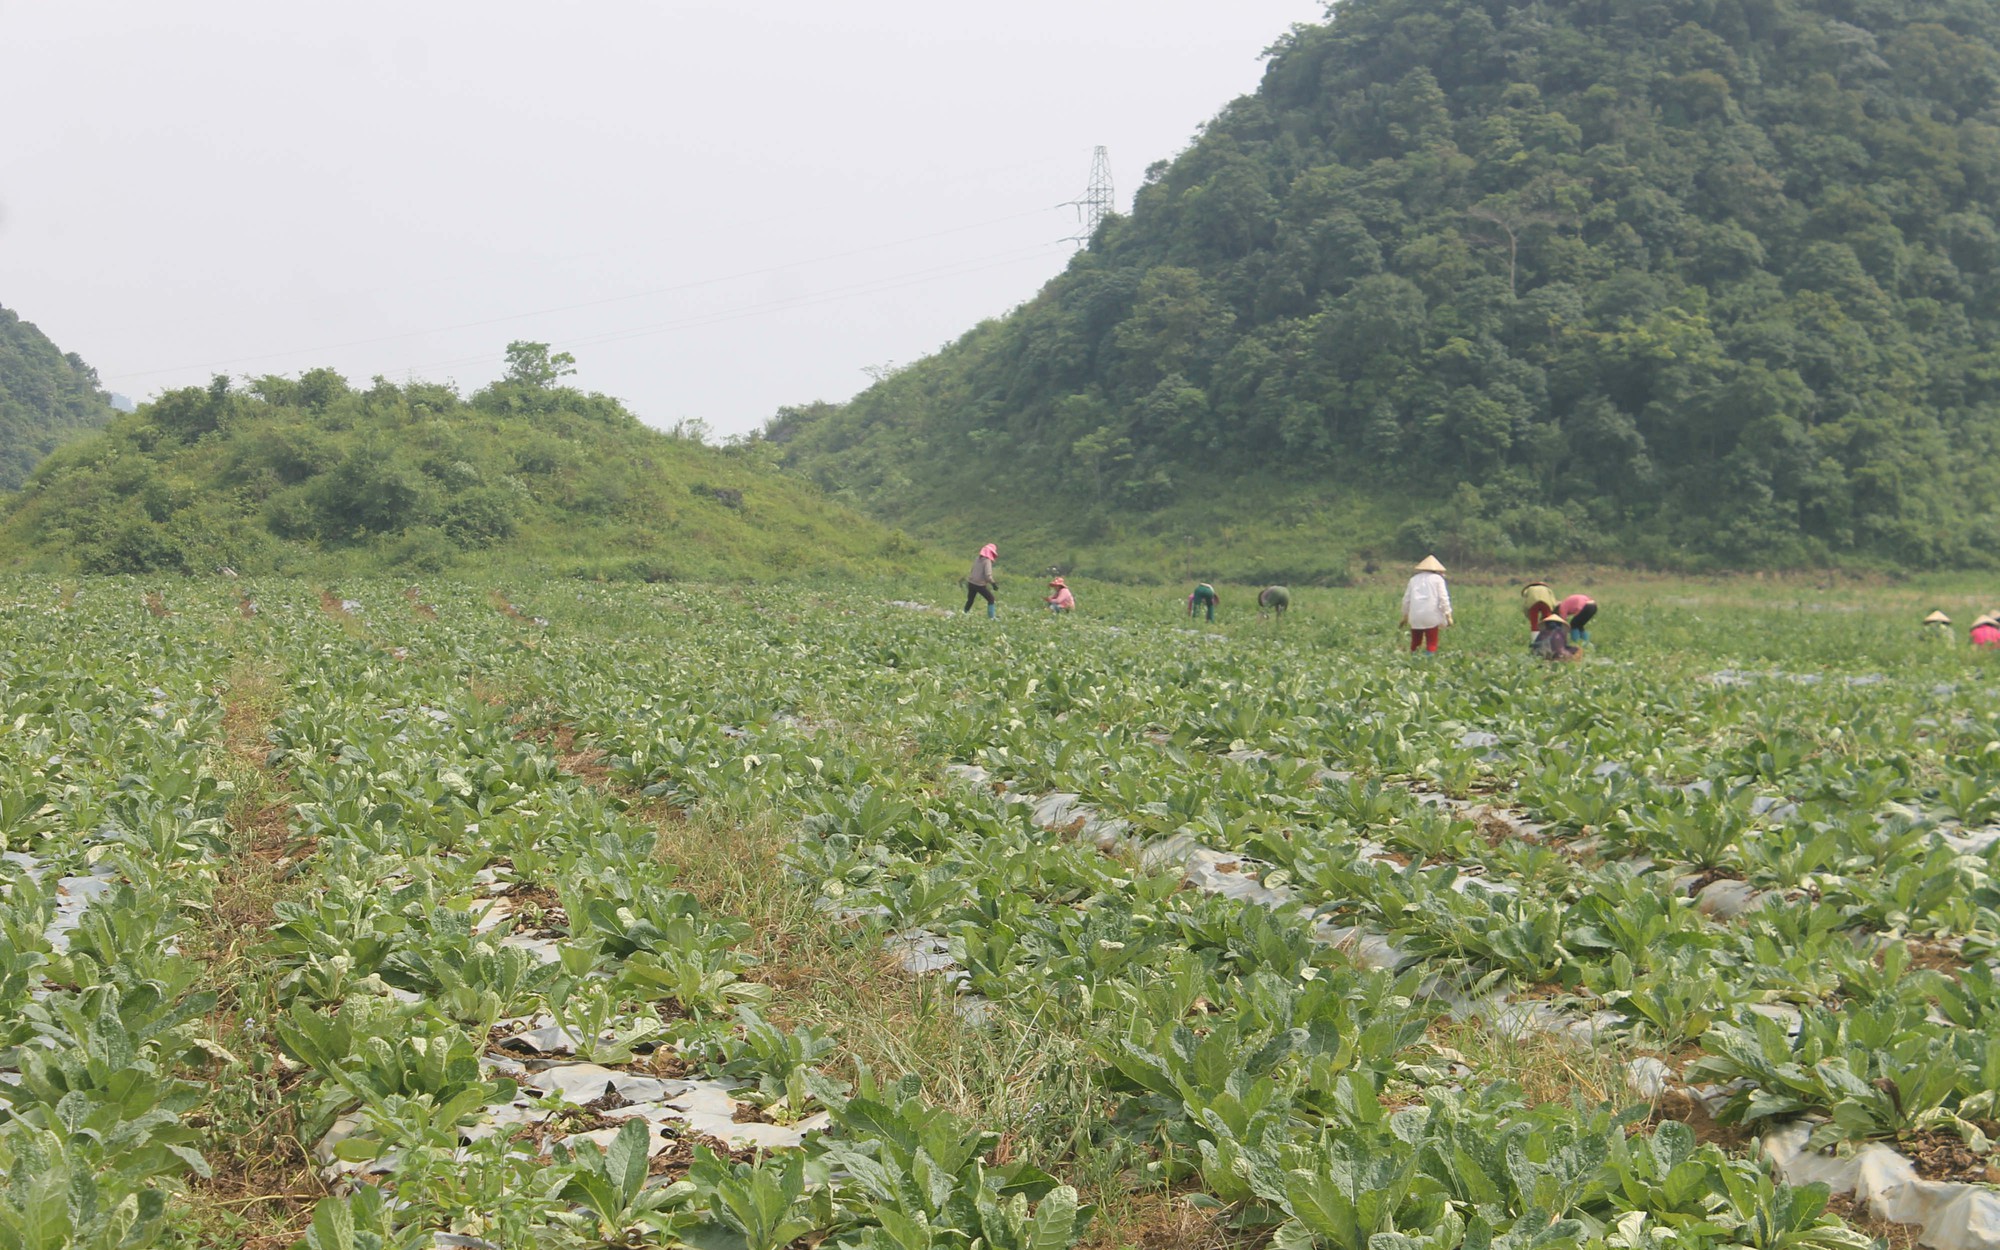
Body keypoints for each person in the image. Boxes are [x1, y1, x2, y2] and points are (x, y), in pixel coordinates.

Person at [1400, 555, 1453, 654]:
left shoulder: (1413, 579)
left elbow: (1406, 599)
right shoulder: (1438, 580)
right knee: (1432, 643)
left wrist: (1405, 615)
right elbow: (1443, 598)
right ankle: (1427, 663)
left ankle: (1413, 663)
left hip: (1415, 615)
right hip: (1431, 614)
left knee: (1415, 643)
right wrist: (1448, 615)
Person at [965, 543, 998, 617]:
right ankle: (991, 617)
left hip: (971, 583)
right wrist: (993, 583)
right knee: (991, 599)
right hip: (979, 585)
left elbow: (972, 570)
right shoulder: (987, 561)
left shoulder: (977, 559)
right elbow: (988, 575)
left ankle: (964, 613)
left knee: (970, 600)